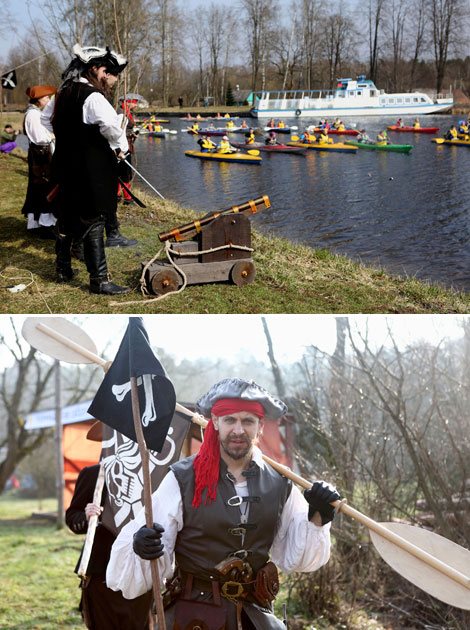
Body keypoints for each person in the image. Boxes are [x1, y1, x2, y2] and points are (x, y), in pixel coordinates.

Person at [107, 378, 339, 629]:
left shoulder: (280, 481)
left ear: (260, 426)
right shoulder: (183, 478)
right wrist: (140, 546)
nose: (238, 430)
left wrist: (318, 517)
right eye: (230, 420)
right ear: (215, 423)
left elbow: (297, 558)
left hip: (256, 616)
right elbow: (151, 542)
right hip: (193, 615)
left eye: (248, 421)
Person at [41, 44, 131, 295]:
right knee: (94, 220)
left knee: (67, 216)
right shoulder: (93, 97)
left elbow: (45, 120)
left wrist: (68, 135)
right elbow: (113, 130)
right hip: (91, 170)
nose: (113, 81)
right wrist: (121, 148)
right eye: (112, 75)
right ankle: (99, 280)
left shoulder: (63, 92)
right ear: (99, 70)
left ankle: (63, 269)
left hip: (64, 165)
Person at [66, 425, 153, 630]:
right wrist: (87, 516)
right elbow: (73, 517)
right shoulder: (92, 474)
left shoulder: (150, 477)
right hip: (100, 570)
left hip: (139, 566)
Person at [20, 84, 58, 241]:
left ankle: (35, 224)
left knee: (38, 189)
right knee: (45, 189)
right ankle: (45, 226)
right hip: (41, 156)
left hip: (39, 154)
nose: (48, 100)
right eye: (46, 98)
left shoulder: (33, 112)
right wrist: (53, 136)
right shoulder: (34, 115)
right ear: (38, 99)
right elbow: (40, 138)